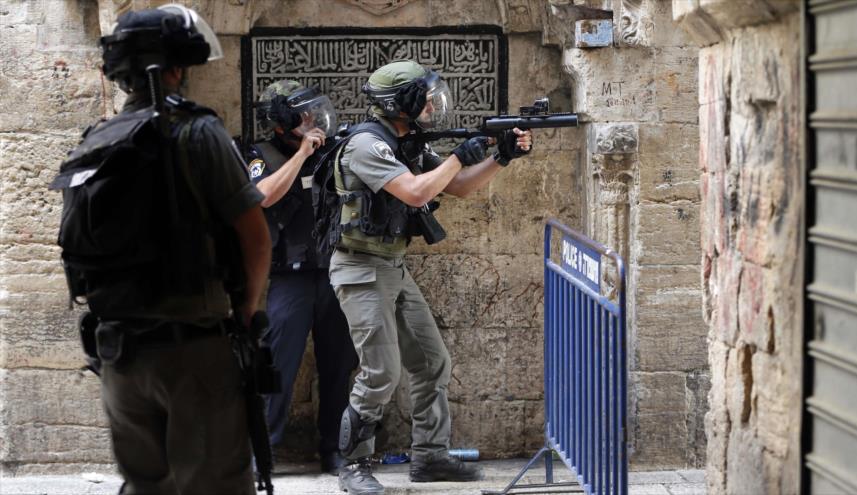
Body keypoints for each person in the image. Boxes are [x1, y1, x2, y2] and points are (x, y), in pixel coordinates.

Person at [66, 4, 271, 493]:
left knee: (146, 485)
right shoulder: (198, 130)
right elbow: (255, 235)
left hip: (118, 353)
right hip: (192, 348)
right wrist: (247, 310)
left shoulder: (95, 140)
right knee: (214, 483)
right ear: (177, 67)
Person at [331, 60, 534, 495]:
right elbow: (416, 191)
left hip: (393, 266)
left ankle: (430, 456)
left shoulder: (408, 142)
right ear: (398, 103)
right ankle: (353, 464)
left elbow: (456, 186)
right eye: (421, 97)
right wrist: (459, 156)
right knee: (381, 372)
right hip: (361, 269)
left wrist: (502, 156)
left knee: (431, 360)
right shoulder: (367, 145)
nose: (430, 104)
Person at [246, 80, 358, 474]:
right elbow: (263, 196)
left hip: (334, 271)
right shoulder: (261, 154)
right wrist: (302, 154)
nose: (312, 120)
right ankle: (263, 451)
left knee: (339, 365)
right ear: (283, 123)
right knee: (278, 365)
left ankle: (334, 449)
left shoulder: (331, 152)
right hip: (289, 278)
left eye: (314, 111)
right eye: (302, 115)